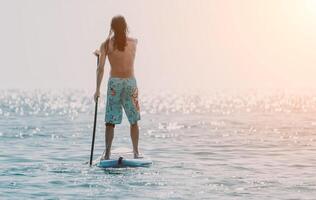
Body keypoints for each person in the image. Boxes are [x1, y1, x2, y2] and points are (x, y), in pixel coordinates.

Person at [93, 15, 142, 160]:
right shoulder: (134, 43)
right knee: (134, 120)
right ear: (125, 27)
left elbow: (100, 68)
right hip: (130, 83)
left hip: (115, 84)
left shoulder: (106, 44)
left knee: (110, 121)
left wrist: (97, 90)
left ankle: (107, 153)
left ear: (112, 28)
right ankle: (136, 152)